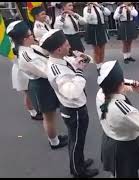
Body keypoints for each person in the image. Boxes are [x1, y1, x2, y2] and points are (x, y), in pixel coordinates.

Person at [40, 29, 99, 178]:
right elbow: (72, 93)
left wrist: (83, 57)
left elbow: (87, 61)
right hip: (73, 109)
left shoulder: (62, 59)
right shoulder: (56, 69)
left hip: (76, 107)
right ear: (59, 49)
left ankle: (78, 162)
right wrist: (79, 72)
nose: (70, 46)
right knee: (76, 142)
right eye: (67, 44)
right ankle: (78, 171)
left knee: (78, 140)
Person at [7, 20, 68, 149]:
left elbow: (45, 52)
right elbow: (46, 72)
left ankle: (55, 137)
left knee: (51, 115)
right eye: (30, 35)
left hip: (44, 84)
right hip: (41, 86)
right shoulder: (26, 56)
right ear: (24, 38)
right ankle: (54, 142)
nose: (33, 36)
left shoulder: (31, 48)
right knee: (49, 117)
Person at [96, 60, 139, 177]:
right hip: (123, 147)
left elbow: (120, 84)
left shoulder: (101, 93)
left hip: (110, 138)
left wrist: (132, 86)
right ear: (119, 84)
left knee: (118, 172)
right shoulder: (123, 110)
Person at [6, 21, 43, 121]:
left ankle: (36, 108)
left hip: (26, 69)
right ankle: (32, 112)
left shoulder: (18, 43)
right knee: (28, 94)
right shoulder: (14, 48)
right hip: (21, 72)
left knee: (32, 93)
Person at [83, 2, 111, 72]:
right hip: (93, 28)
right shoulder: (86, 8)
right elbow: (87, 19)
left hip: (101, 27)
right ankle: (98, 67)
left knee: (102, 48)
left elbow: (108, 13)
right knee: (96, 49)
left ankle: (101, 64)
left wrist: (98, 5)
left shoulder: (99, 7)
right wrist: (89, 8)